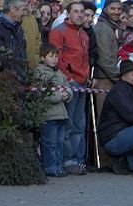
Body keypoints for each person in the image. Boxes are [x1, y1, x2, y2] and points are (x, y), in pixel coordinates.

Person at [48, 1, 89, 176]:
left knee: (80, 122)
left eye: (82, 12)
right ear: (68, 13)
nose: (80, 15)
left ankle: (78, 159)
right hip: (69, 82)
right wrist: (69, 79)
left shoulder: (84, 35)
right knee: (69, 123)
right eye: (76, 12)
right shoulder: (59, 32)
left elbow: (86, 59)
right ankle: (68, 159)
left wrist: (87, 77)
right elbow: (58, 58)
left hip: (83, 82)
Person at [35, 42, 71, 177]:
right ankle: (50, 167)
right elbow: (42, 93)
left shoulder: (59, 73)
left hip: (61, 114)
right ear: (43, 58)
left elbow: (67, 85)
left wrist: (68, 94)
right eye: (51, 56)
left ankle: (58, 166)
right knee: (49, 143)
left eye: (56, 56)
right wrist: (58, 96)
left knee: (60, 143)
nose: (55, 58)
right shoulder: (40, 73)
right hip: (49, 115)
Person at [0, 0, 29, 74]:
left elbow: (23, 53)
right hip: (5, 80)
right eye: (23, 9)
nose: (25, 13)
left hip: (20, 79)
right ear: (13, 9)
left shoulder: (18, 27)